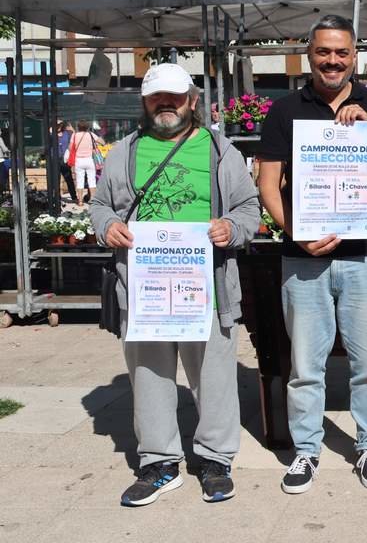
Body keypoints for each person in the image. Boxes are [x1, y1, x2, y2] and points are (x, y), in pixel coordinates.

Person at [89, 63, 261, 507]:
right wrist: (106, 226)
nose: (166, 104)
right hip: (145, 288)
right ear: (144, 102)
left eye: (175, 96)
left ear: (193, 99)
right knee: (149, 376)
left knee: (214, 377)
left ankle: (215, 460)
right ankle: (159, 462)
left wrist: (231, 227)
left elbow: (249, 208)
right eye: (155, 97)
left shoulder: (222, 152)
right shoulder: (122, 153)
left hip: (208, 288)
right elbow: (100, 205)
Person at [257, 14, 367, 494]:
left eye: (342, 52)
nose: (333, 61)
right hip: (304, 257)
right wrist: (297, 232)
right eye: (324, 52)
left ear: (354, 55)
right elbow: (267, 186)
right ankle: (306, 452)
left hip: (365, 255)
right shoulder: (284, 111)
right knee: (305, 366)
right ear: (309, 54)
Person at [69, 120, 103, 205]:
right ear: (87, 127)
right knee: (92, 180)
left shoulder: (74, 135)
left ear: (78, 127)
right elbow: (102, 142)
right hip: (89, 160)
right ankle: (92, 200)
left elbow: (70, 148)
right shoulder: (91, 134)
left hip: (79, 161)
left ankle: (80, 201)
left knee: (79, 181)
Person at [57, 121, 79, 204]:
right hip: (55, 159)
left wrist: (72, 130)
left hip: (65, 160)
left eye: (60, 124)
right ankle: (56, 197)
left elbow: (76, 138)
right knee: (56, 179)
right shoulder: (51, 134)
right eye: (57, 124)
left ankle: (74, 196)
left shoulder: (67, 133)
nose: (59, 126)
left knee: (69, 178)